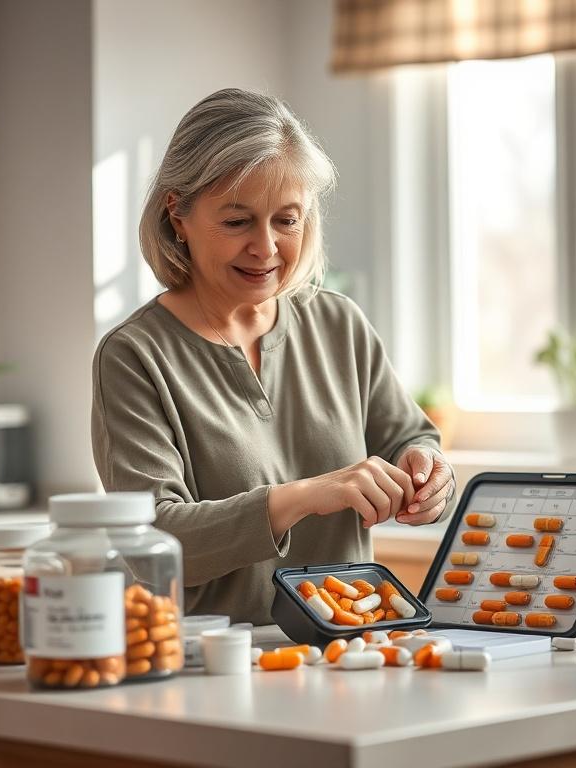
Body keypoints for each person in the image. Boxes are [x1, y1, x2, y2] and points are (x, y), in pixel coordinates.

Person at [91, 88, 454, 625]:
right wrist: (307, 496)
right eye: (237, 221)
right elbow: (154, 539)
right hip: (217, 668)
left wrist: (427, 474)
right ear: (178, 214)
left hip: (356, 654)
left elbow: (410, 438)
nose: (266, 248)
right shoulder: (134, 356)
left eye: (286, 220)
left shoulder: (339, 324)